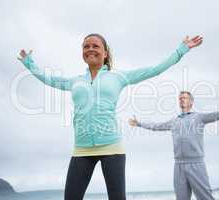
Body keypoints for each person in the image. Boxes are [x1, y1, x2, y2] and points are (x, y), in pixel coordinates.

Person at [17, 34, 203, 200]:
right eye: (86, 46)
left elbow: (155, 70)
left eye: (95, 46)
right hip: (82, 150)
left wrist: (181, 50)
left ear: (105, 53)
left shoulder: (118, 77)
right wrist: (29, 63)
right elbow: (49, 79)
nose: (90, 49)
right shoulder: (75, 81)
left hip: (112, 147)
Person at [129, 91, 219, 200]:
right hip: (179, 166)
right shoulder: (174, 121)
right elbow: (156, 126)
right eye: (180, 98)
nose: (182, 100)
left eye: (185, 98)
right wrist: (139, 123)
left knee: (205, 198)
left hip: (196, 164)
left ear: (191, 102)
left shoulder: (199, 117)